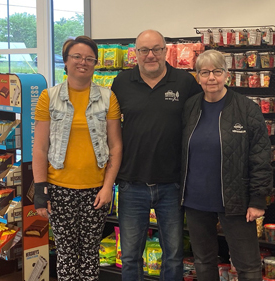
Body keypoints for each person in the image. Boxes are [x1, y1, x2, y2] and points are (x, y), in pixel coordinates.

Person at [111, 29, 202, 281]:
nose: (150, 55)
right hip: (131, 184)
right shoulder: (121, 82)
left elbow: (199, 125)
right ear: (136, 53)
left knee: (173, 255)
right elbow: (108, 127)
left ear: (165, 51)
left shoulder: (185, 83)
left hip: (172, 185)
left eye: (156, 49)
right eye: (144, 50)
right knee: (130, 256)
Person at [32, 35, 122, 281]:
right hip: (60, 188)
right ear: (66, 61)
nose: (83, 62)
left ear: (95, 64)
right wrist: (41, 190)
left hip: (96, 190)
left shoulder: (107, 98)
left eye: (89, 58)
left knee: (90, 253)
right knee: (66, 254)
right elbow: (39, 147)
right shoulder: (48, 97)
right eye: (77, 57)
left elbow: (115, 146)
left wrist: (107, 187)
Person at [180, 49, 273, 281]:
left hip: (236, 200)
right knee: (203, 261)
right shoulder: (190, 107)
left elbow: (260, 156)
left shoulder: (246, 108)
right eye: (204, 72)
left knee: (247, 265)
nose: (211, 78)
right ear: (198, 77)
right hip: (196, 200)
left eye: (217, 71)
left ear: (227, 75)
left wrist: (258, 199)